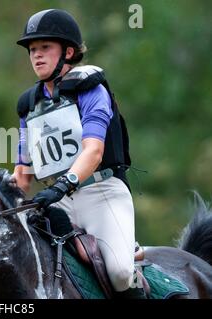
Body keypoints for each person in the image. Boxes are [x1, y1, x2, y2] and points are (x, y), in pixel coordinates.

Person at [10, 9, 146, 299]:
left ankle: (131, 254)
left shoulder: (91, 89)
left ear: (68, 52)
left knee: (122, 274)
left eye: (45, 47)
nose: (36, 55)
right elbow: (23, 172)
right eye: (32, 50)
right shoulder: (29, 105)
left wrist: (60, 186)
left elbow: (94, 152)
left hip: (102, 193)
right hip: (57, 203)